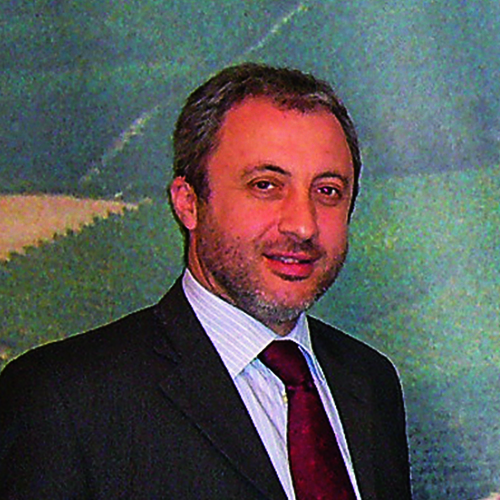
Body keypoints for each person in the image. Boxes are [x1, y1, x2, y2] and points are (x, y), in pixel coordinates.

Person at [0, 63, 412, 499]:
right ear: (189, 203)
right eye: (266, 185)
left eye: (327, 191)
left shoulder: (370, 382)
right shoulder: (64, 399)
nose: (303, 225)